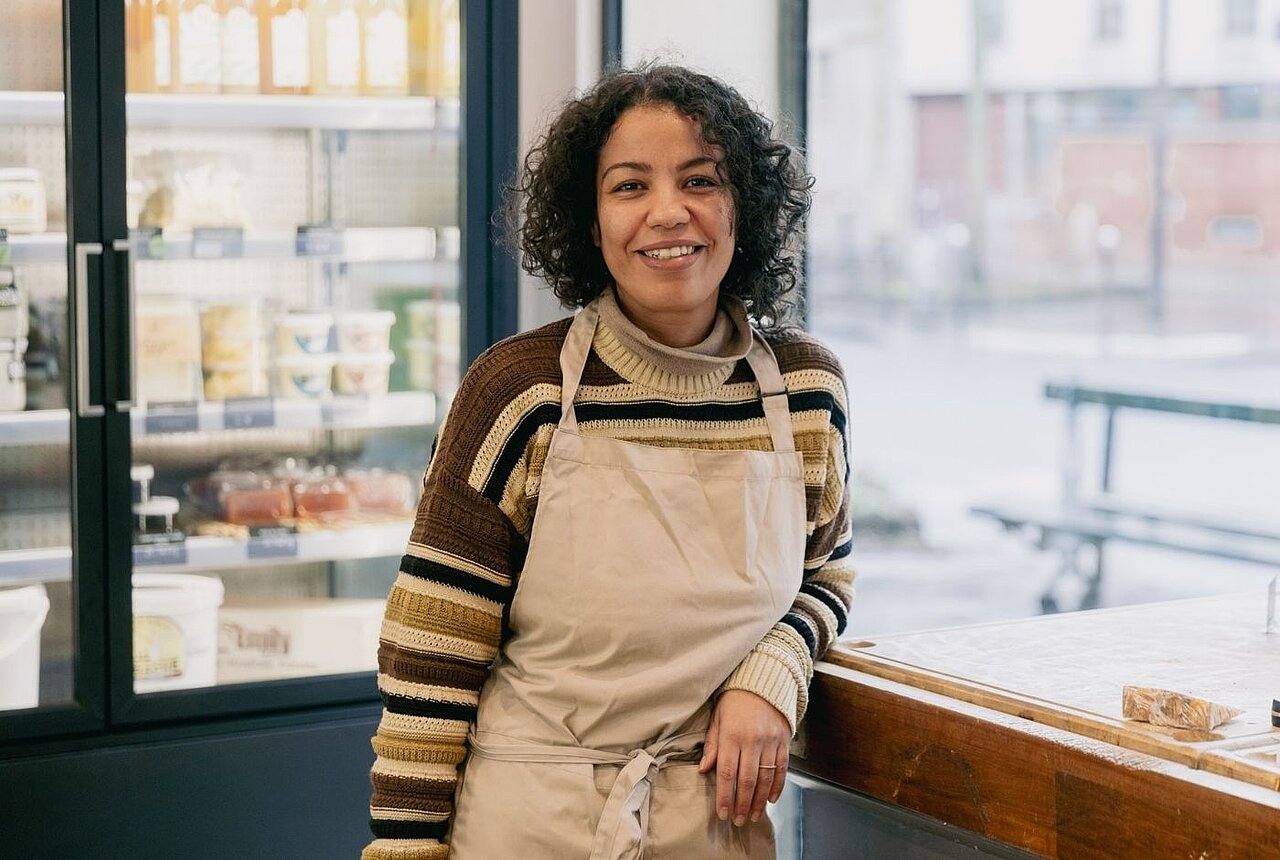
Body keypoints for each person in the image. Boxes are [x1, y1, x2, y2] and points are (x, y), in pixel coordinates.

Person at [363, 64, 854, 860]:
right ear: (590, 224)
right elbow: (431, 657)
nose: (668, 211)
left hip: (714, 828)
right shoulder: (521, 391)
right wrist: (403, 852)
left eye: (700, 180)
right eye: (629, 186)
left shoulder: (805, 390)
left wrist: (773, 670)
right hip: (529, 825)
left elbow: (827, 578)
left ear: (746, 207)